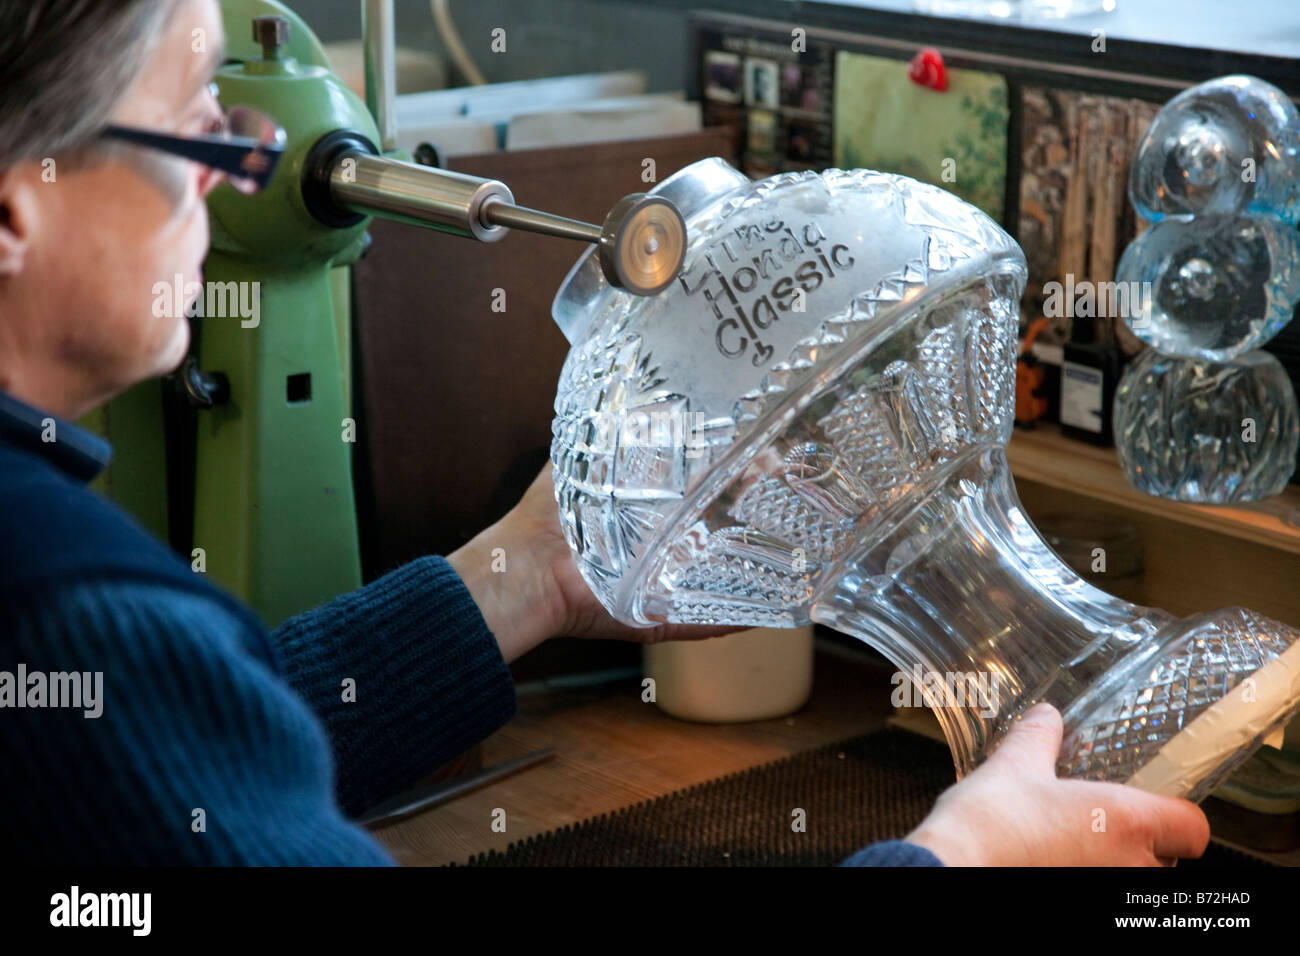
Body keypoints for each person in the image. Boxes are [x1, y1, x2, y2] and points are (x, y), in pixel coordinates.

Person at [0, 0, 1210, 867]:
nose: (242, 166)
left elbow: (181, 756)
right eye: (200, 126)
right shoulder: (63, 607)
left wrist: (533, 572)